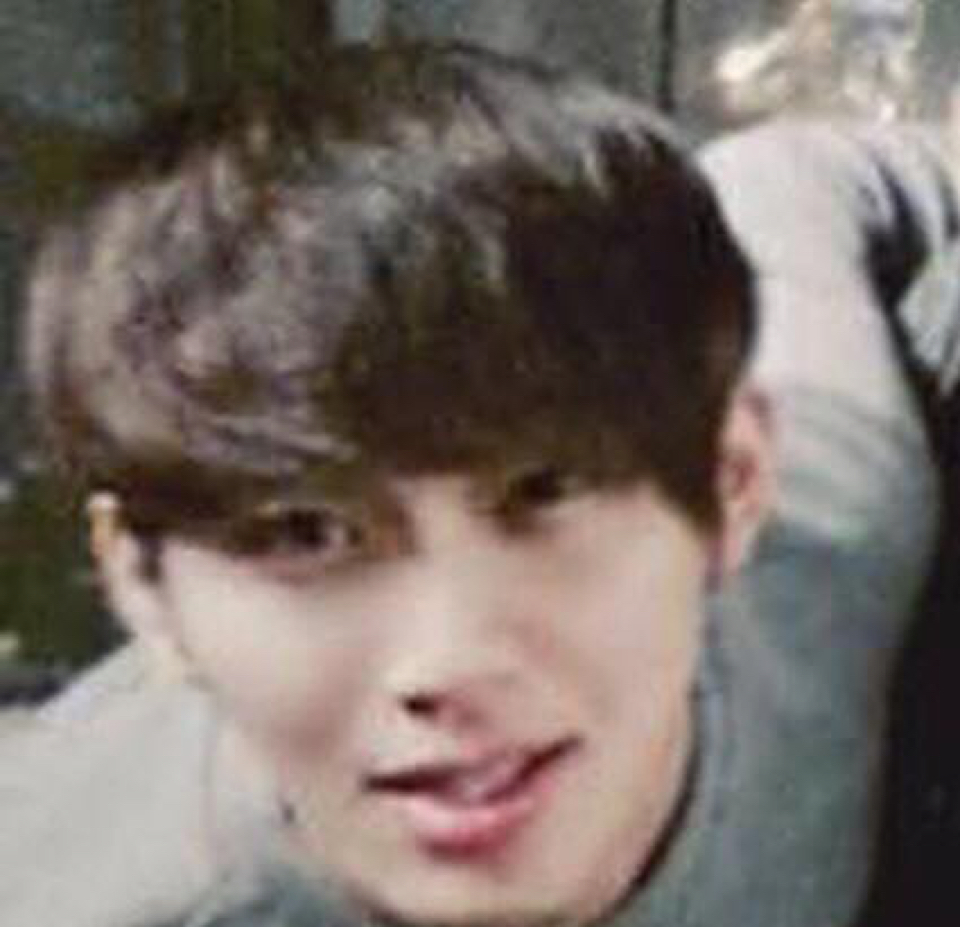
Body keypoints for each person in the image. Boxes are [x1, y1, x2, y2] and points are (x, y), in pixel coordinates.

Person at [0, 41, 953, 927]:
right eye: (305, 531)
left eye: (544, 488)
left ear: (734, 482)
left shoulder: (828, 534)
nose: (449, 659)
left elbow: (792, 182)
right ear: (142, 587)